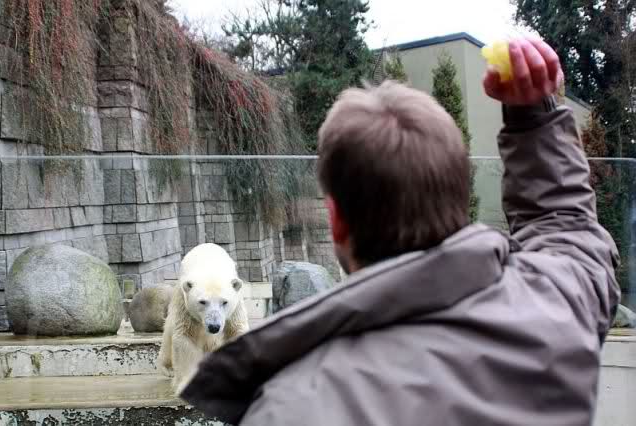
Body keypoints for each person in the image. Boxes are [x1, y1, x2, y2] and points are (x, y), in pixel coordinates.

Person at [180, 38, 620, 426]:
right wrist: (534, 119)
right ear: (459, 197)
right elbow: (565, 225)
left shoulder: (293, 408)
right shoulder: (553, 303)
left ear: (336, 219)